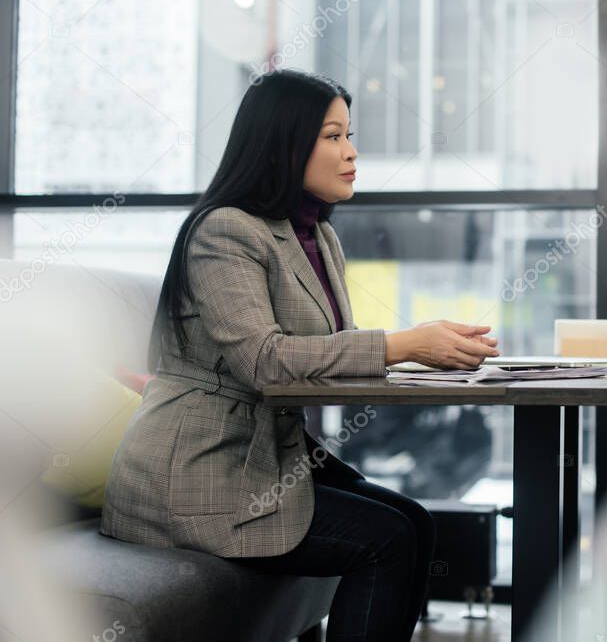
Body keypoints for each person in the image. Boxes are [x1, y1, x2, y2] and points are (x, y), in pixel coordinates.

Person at [101, 69, 500, 641]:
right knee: (390, 538)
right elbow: (266, 362)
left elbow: (327, 352)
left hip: (263, 454)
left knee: (414, 519)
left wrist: (430, 354)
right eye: (333, 137)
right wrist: (404, 344)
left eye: (349, 135)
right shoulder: (225, 231)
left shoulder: (315, 235)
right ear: (284, 143)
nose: (352, 152)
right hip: (197, 475)